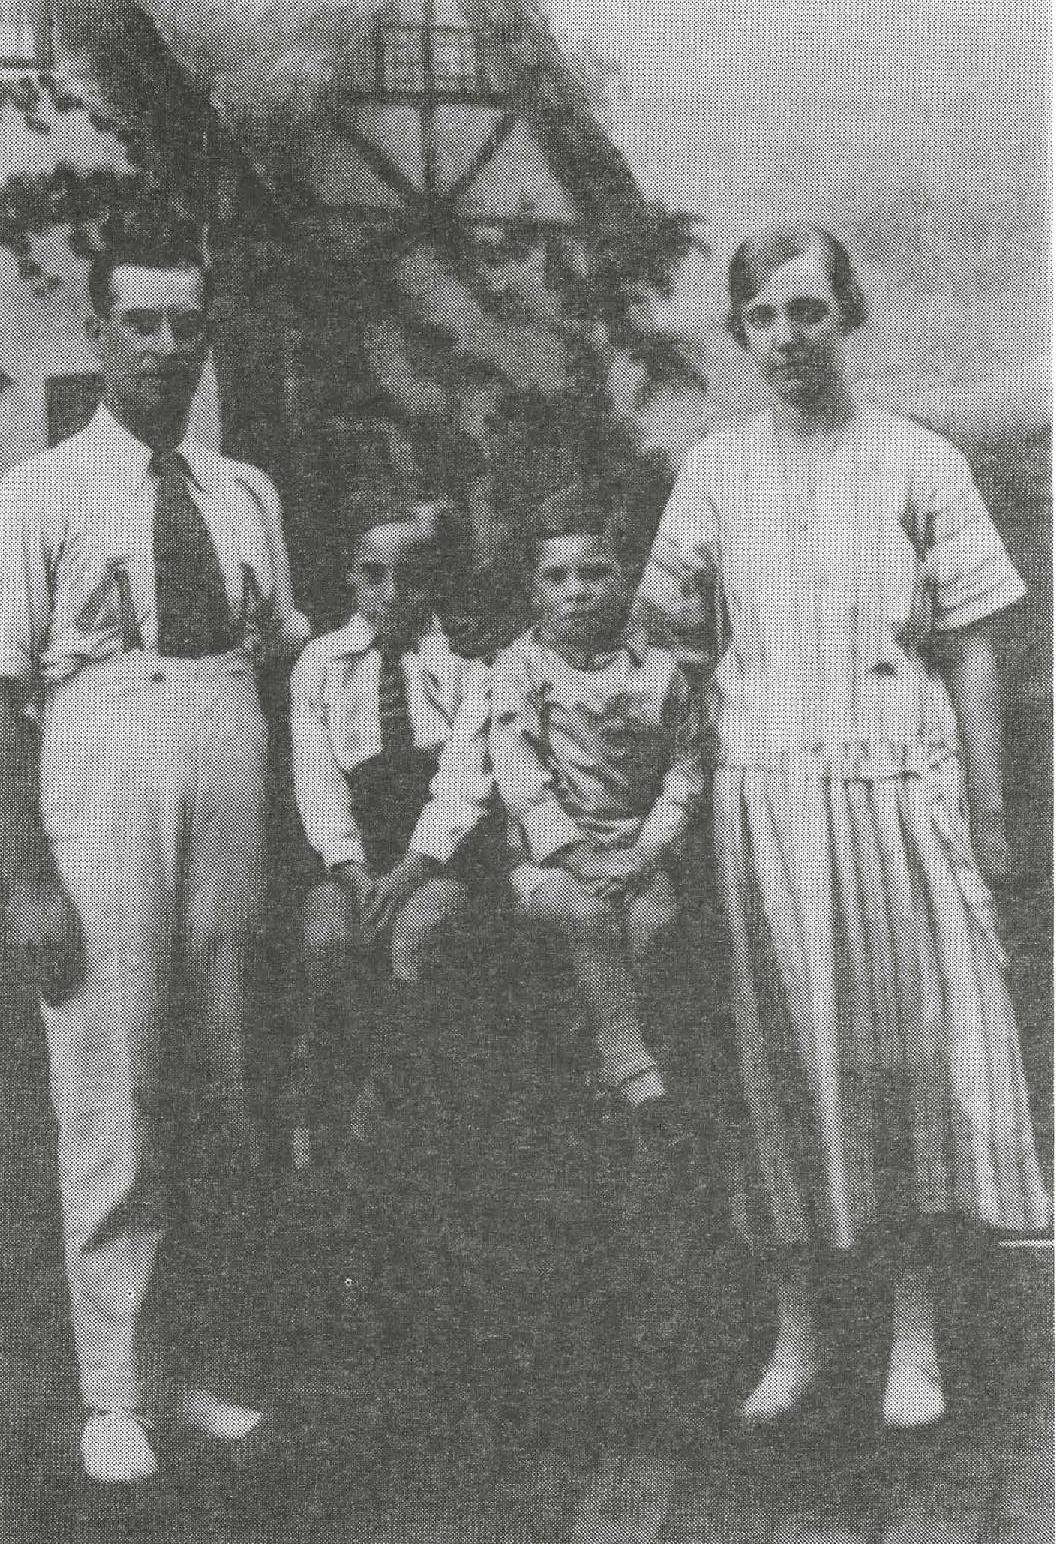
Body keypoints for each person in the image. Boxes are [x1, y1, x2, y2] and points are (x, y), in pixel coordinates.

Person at [633, 223, 1051, 1428]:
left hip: (897, 790)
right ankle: (799, 1329)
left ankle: (911, 1337)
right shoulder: (714, 471)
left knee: (901, 1058)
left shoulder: (919, 462)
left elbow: (974, 646)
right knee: (782, 1060)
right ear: (743, 332)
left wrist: (987, 809)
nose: (787, 339)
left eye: (808, 311)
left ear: (846, 316)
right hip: (763, 801)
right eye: (763, 317)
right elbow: (676, 650)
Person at [0, 213, 309, 1483]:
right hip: (98, 777)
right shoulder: (37, 493)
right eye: (144, 321)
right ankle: (113, 1388)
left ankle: (198, 1370)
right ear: (100, 330)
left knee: (222, 1084)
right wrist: (22, 875)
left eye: (189, 323)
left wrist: (293, 847)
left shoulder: (244, 495)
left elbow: (277, 673)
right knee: (113, 1086)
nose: (168, 347)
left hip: (225, 767)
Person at [488, 496, 708, 1213]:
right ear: (534, 591)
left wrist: (646, 854)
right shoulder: (520, 669)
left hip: (637, 850)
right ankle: (632, 1071)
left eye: (595, 572)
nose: (577, 591)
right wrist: (576, 854)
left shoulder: (661, 671)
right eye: (556, 577)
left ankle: (619, 1076)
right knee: (580, 913)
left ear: (625, 581)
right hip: (552, 856)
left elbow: (684, 770)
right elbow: (518, 770)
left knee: (654, 928)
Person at [291, 505, 493, 1152]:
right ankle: (325, 1106)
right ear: (352, 579)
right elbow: (317, 780)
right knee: (327, 936)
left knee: (418, 933)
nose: (391, 595)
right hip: (351, 852)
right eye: (374, 576)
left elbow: (464, 778)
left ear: (434, 585)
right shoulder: (320, 662)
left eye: (411, 579)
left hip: (438, 852)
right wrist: (350, 869)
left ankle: (400, 1107)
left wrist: (411, 871)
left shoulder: (464, 662)